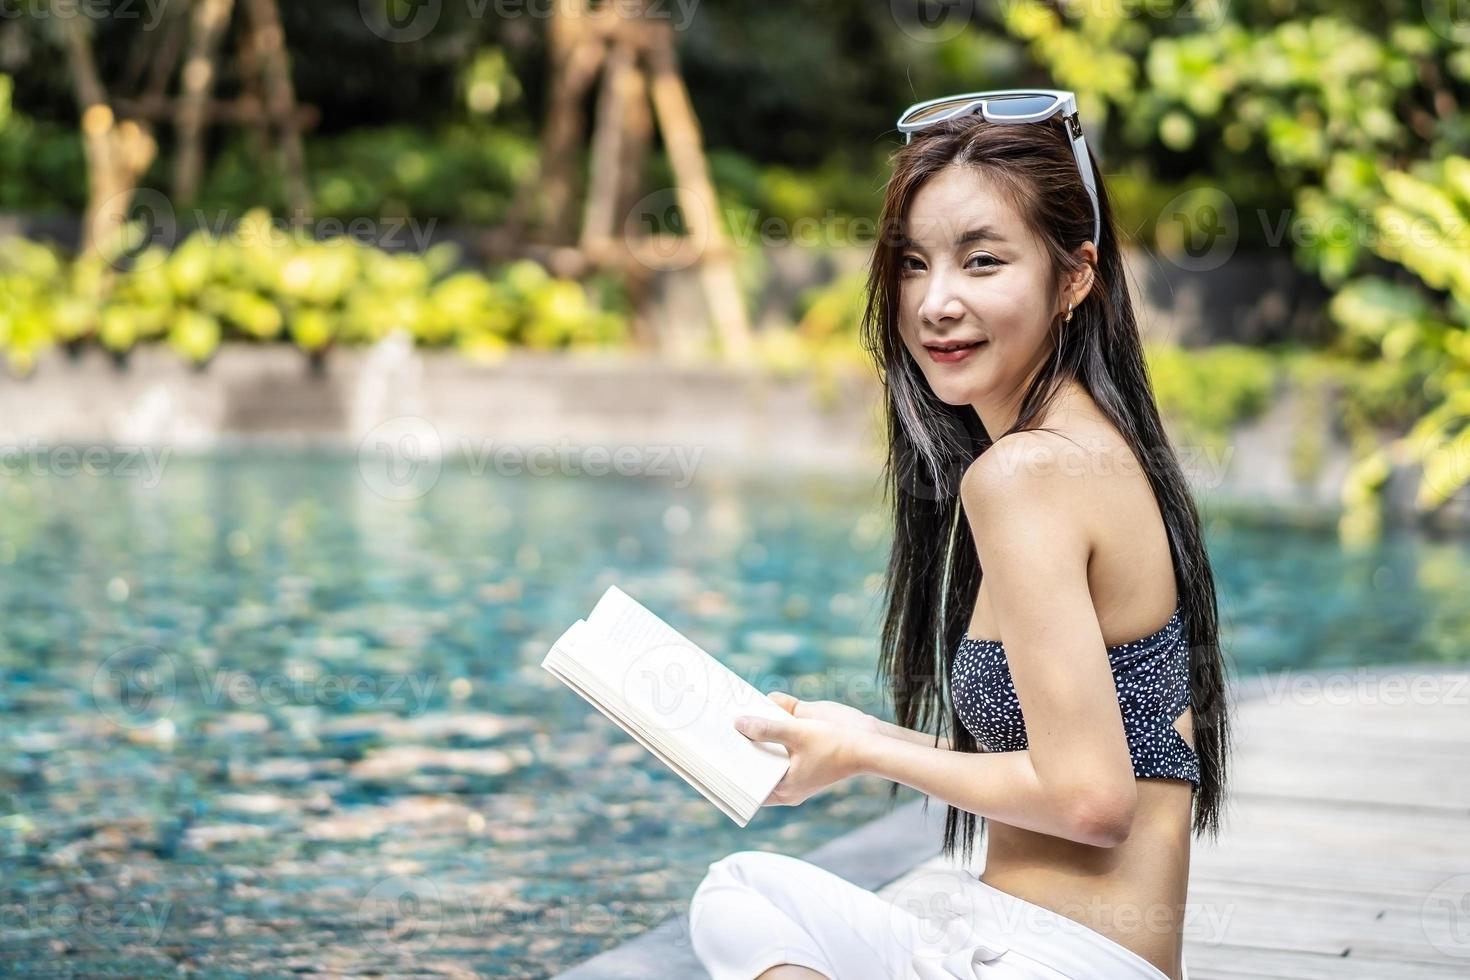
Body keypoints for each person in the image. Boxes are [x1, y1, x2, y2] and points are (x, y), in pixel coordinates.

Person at [687, 90, 1233, 980]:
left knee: (739, 904)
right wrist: (858, 738)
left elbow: (1091, 802)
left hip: (1060, 963)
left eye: (982, 262)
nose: (936, 301)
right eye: (912, 264)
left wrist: (866, 752)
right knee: (745, 891)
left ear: (1074, 276)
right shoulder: (1090, 446)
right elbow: (1070, 761)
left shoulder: (1024, 476)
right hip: (1015, 940)